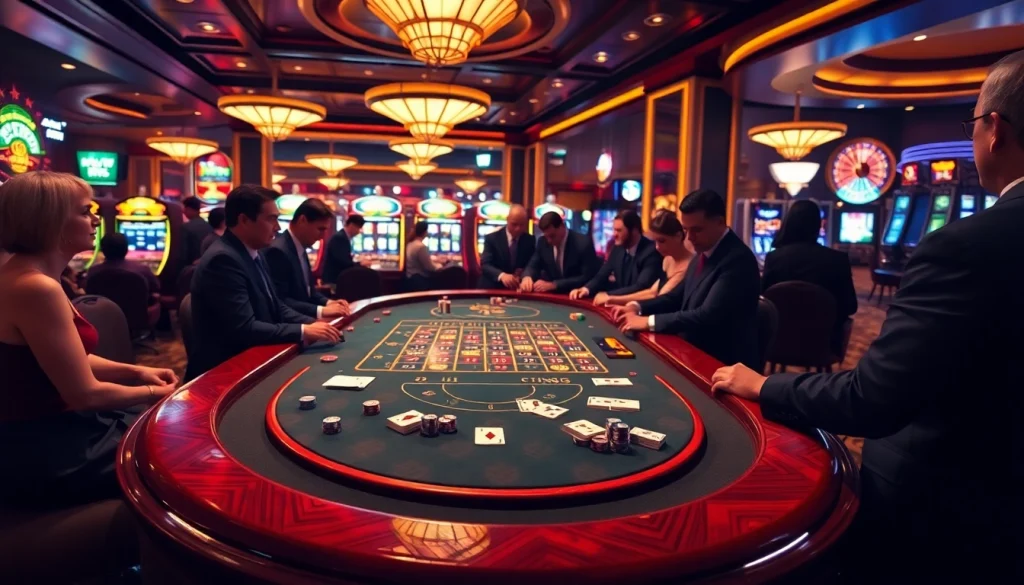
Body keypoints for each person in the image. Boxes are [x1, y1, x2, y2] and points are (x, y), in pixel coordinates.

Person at [710, 51, 1024, 584]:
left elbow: (873, 400)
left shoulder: (965, 247)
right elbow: (852, 312)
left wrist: (764, 384)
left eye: (970, 121)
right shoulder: (852, 261)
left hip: (956, 513)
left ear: (993, 129)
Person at [0, 171, 178, 508]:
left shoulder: (37, 277)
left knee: (161, 430)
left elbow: (64, 358)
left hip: (57, 427)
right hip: (41, 446)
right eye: (84, 211)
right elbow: (83, 394)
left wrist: (137, 373)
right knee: (175, 449)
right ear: (48, 221)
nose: (97, 218)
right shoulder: (36, 287)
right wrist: (159, 394)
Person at [187, 185, 341, 381]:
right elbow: (245, 329)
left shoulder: (253, 253)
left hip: (253, 358)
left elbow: (276, 306)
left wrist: (314, 324)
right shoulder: (223, 259)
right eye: (271, 219)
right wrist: (303, 330)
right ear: (244, 220)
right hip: (223, 375)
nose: (277, 227)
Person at [614, 189, 760, 369]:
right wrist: (636, 306)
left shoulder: (737, 260)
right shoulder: (703, 253)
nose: (689, 238)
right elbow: (675, 297)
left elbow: (706, 316)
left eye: (697, 230)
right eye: (685, 230)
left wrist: (648, 321)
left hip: (723, 364)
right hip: (694, 351)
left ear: (720, 222)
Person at [761, 199, 857, 352]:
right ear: (818, 226)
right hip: (823, 345)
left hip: (778, 342)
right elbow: (851, 306)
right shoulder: (838, 260)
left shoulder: (774, 258)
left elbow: (763, 301)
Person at [264, 198, 349, 320]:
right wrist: (321, 311)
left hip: (305, 319)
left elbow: (309, 292)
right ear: (302, 220)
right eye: (320, 229)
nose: (323, 236)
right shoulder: (278, 251)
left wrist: (328, 303)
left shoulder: (300, 247)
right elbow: (280, 300)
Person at [601, 210, 693, 307]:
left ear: (678, 236)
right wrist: (612, 299)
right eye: (655, 241)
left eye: (662, 241)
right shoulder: (668, 259)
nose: (657, 247)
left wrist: (615, 300)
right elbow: (652, 292)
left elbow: (660, 298)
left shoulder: (689, 265)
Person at [570, 209, 661, 305]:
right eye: (614, 229)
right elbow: (602, 275)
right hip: (620, 305)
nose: (614, 234)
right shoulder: (617, 249)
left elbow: (641, 286)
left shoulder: (651, 252)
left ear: (634, 231)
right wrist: (586, 289)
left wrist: (608, 295)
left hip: (640, 308)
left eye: (619, 230)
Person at [520, 211, 600, 294]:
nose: (549, 241)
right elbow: (533, 265)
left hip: (577, 295)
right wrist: (527, 276)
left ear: (562, 226)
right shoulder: (542, 242)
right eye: (546, 236)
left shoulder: (583, 243)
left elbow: (587, 277)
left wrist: (555, 284)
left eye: (552, 236)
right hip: (553, 296)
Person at [87, 233, 162, 305]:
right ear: (126, 249)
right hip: (135, 316)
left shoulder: (93, 271)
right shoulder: (142, 270)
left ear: (102, 250)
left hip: (102, 315)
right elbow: (156, 288)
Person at [478, 203, 535, 289]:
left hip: (518, 288)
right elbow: (485, 265)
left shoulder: (530, 240)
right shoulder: (492, 238)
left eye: (522, 225)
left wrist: (525, 274)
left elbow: (533, 264)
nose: (518, 228)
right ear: (507, 220)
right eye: (514, 224)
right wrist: (502, 275)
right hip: (493, 288)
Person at [322, 214, 365, 285]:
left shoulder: (343, 236)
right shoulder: (340, 238)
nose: (359, 232)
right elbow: (342, 261)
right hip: (334, 280)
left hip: (337, 279)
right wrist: (360, 264)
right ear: (351, 225)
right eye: (358, 228)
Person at [405, 220, 442, 292]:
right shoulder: (421, 246)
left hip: (411, 279)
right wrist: (440, 266)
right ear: (425, 232)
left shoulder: (410, 244)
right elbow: (430, 267)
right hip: (420, 281)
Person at [181, 196, 213, 265]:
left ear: (189, 209)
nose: (183, 211)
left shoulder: (186, 227)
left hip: (192, 266)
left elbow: (183, 253)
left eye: (185, 209)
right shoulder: (209, 226)